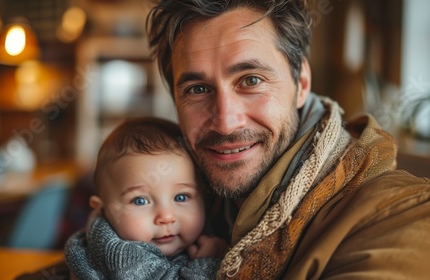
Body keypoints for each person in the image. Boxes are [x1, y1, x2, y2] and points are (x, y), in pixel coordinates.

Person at [146, 0, 430, 279]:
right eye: (197, 89)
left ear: (302, 83)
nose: (225, 122)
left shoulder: (405, 215)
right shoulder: (165, 213)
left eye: (251, 80)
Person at [64, 117, 226, 279]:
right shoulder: (120, 255)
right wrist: (208, 262)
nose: (166, 217)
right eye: (140, 201)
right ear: (102, 208)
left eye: (181, 197)